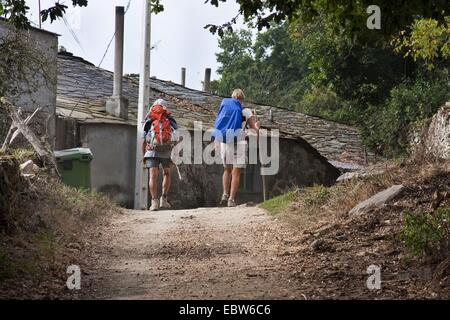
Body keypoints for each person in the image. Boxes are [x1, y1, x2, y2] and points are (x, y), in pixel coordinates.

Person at [213, 89, 260, 207]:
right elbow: (253, 130)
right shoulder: (246, 111)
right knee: (236, 172)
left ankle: (224, 194)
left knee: (227, 170)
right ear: (242, 100)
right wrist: (257, 128)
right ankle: (231, 199)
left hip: (225, 142)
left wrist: (216, 141)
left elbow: (219, 125)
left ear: (232, 98)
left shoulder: (225, 109)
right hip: (239, 142)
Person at [142, 99, 178, 211]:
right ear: (165, 107)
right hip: (166, 150)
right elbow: (177, 137)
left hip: (151, 151)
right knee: (166, 174)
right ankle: (164, 199)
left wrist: (144, 154)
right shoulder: (169, 118)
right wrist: (172, 147)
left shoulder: (149, 118)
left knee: (153, 176)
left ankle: (154, 203)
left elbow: (143, 139)